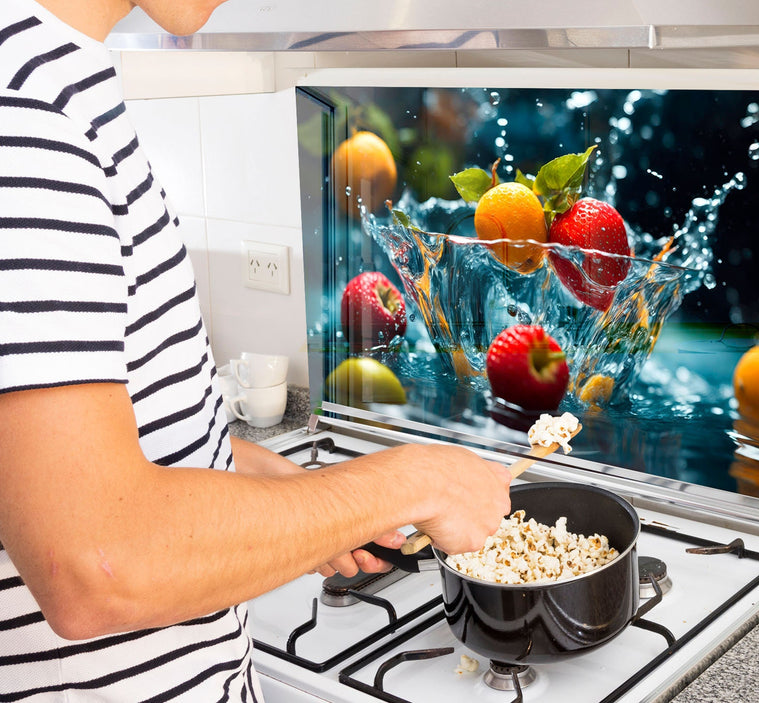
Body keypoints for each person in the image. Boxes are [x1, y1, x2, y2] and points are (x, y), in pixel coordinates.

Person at [0, 0, 512, 699]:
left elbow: (99, 449)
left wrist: (302, 501)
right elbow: (94, 562)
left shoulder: (57, 79)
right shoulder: (24, 115)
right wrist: (417, 480)